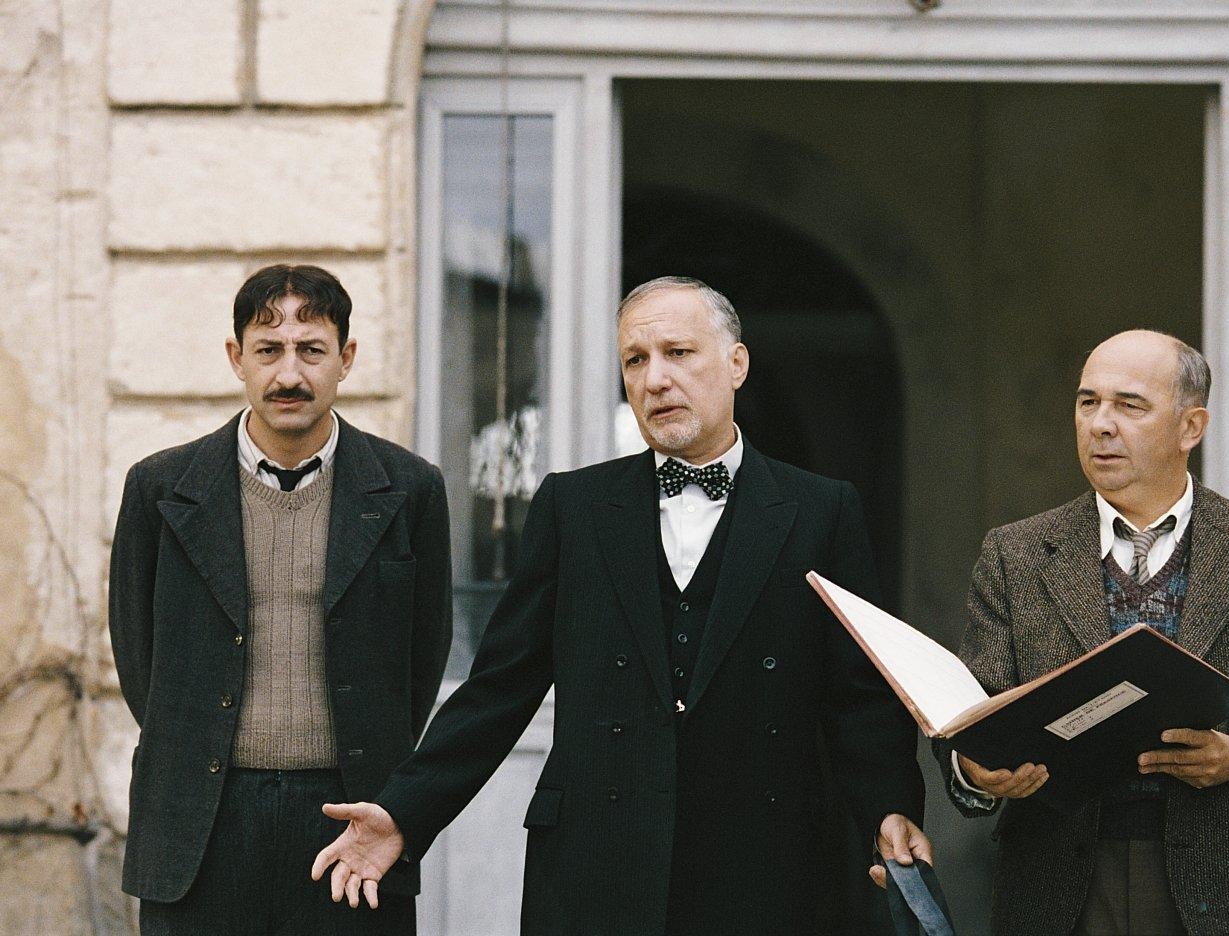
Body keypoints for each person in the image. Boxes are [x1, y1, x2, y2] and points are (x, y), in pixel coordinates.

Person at [312, 276, 929, 935]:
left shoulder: (822, 512)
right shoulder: (572, 508)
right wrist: (405, 813)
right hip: (593, 869)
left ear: (737, 364)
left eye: (678, 353)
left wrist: (889, 810)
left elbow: (858, 698)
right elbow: (499, 689)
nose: (654, 379)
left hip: (764, 871)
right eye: (635, 360)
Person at [939, 329, 1229, 935]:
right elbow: (970, 713)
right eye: (1088, 402)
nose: (1100, 425)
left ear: (1191, 427)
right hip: (1055, 887)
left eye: (1129, 405)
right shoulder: (1016, 554)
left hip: (1223, 881)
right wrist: (974, 770)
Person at [108, 264, 452, 935]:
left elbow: (423, 656)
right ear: (236, 358)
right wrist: (202, 743)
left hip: (349, 816)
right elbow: (138, 655)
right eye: (268, 350)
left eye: (311, 350)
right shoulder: (159, 488)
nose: (288, 374)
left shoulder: (411, 489)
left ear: (346, 359)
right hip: (200, 819)